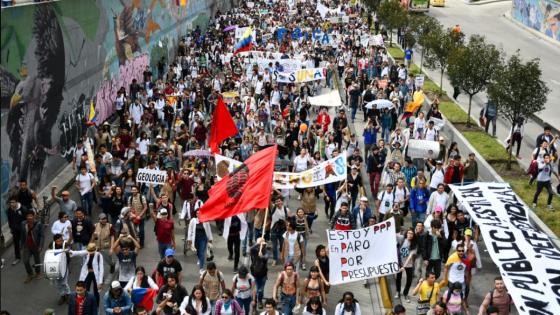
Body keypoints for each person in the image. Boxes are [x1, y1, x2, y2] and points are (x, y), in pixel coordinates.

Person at [20, 211, 43, 283]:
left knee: (37, 260)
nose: (29, 217)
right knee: (25, 261)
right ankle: (30, 274)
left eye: (31, 216)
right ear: (26, 217)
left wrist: (40, 246)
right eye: (28, 216)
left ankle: (38, 272)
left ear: (34, 216)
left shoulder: (38, 224)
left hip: (35, 245)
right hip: (27, 245)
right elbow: (22, 235)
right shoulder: (23, 224)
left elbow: (42, 236)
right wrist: (21, 245)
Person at [395, 228, 417, 303]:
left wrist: (403, 267)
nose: (410, 235)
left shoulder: (414, 245)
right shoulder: (402, 239)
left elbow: (410, 256)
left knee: (409, 280)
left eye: (412, 234)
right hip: (400, 263)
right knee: (398, 278)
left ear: (413, 235)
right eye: (409, 233)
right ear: (406, 233)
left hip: (408, 264)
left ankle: (405, 293)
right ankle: (398, 291)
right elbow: (393, 235)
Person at [6, 197, 28, 265]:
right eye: (10, 203)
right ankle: (17, 257)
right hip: (15, 229)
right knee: (16, 244)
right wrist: (11, 228)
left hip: (23, 229)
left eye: (13, 202)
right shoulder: (9, 210)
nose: (11, 204)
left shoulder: (22, 208)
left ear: (16, 202)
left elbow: (27, 218)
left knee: (25, 241)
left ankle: (29, 253)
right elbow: (9, 220)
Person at [250, 238, 269, 309]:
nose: (262, 246)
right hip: (255, 273)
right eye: (261, 244)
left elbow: (266, 257)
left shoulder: (265, 251)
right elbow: (251, 248)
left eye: (263, 244)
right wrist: (258, 243)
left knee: (260, 290)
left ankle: (259, 300)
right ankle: (255, 302)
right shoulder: (254, 250)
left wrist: (262, 256)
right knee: (256, 289)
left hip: (263, 274)